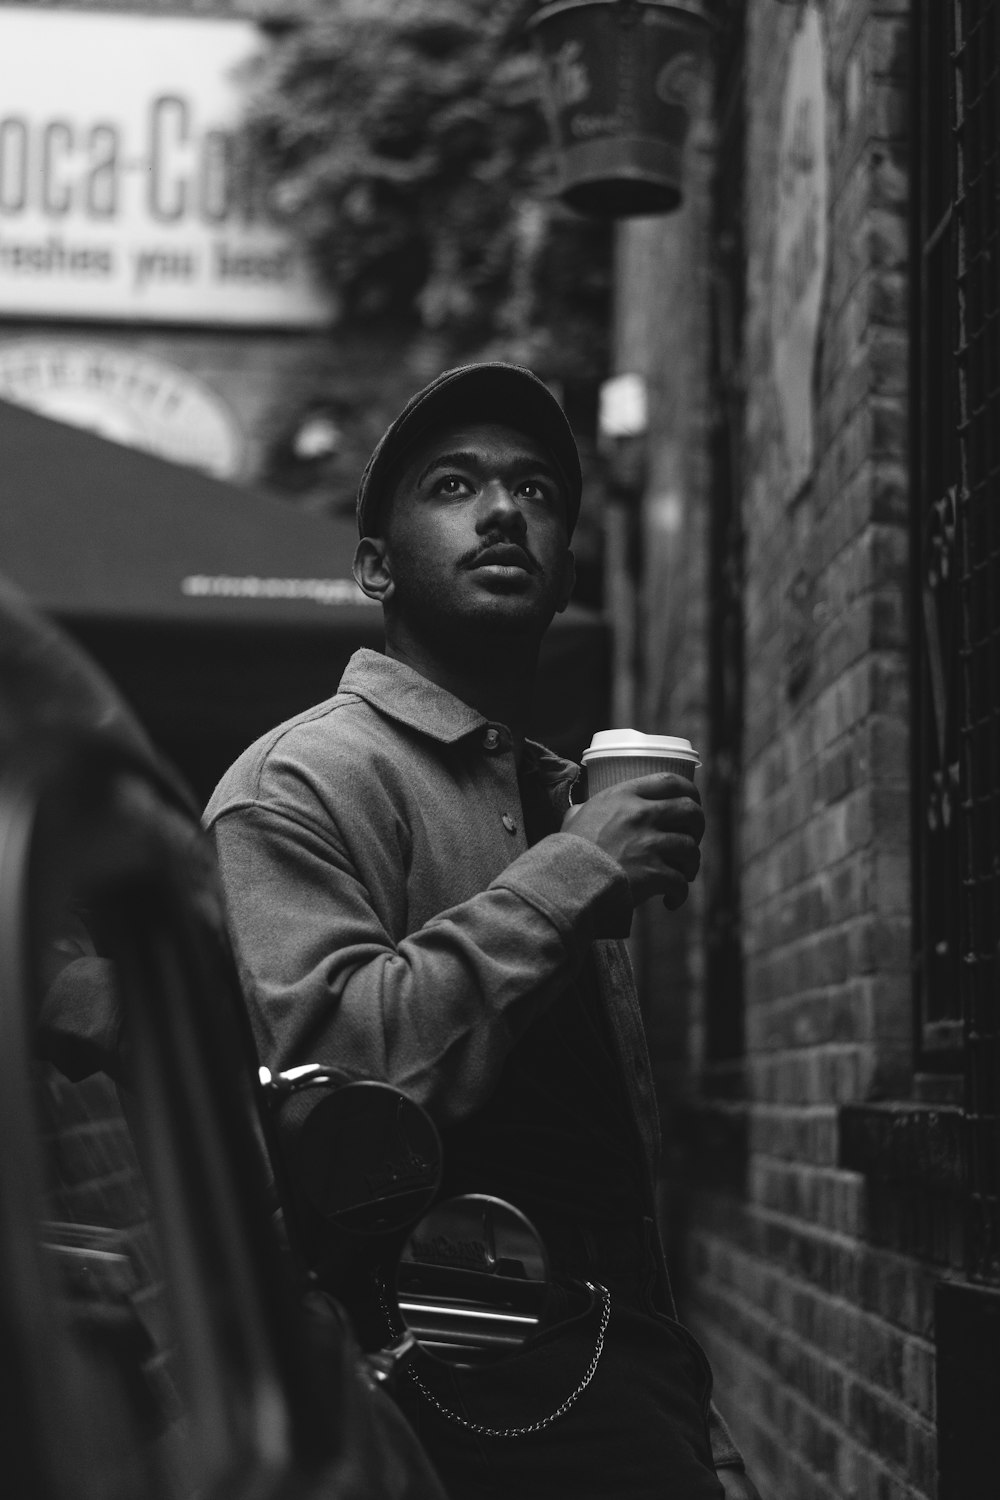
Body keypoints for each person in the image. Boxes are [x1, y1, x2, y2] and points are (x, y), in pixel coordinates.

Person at [205, 363, 761, 1500]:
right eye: (454, 485)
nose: (504, 510)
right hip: (437, 1375)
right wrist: (576, 872)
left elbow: (596, 1149)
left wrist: (674, 1390)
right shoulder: (298, 779)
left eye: (537, 493)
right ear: (375, 566)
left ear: (563, 571)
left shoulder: (554, 798)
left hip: (610, 1354)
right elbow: (347, 1079)